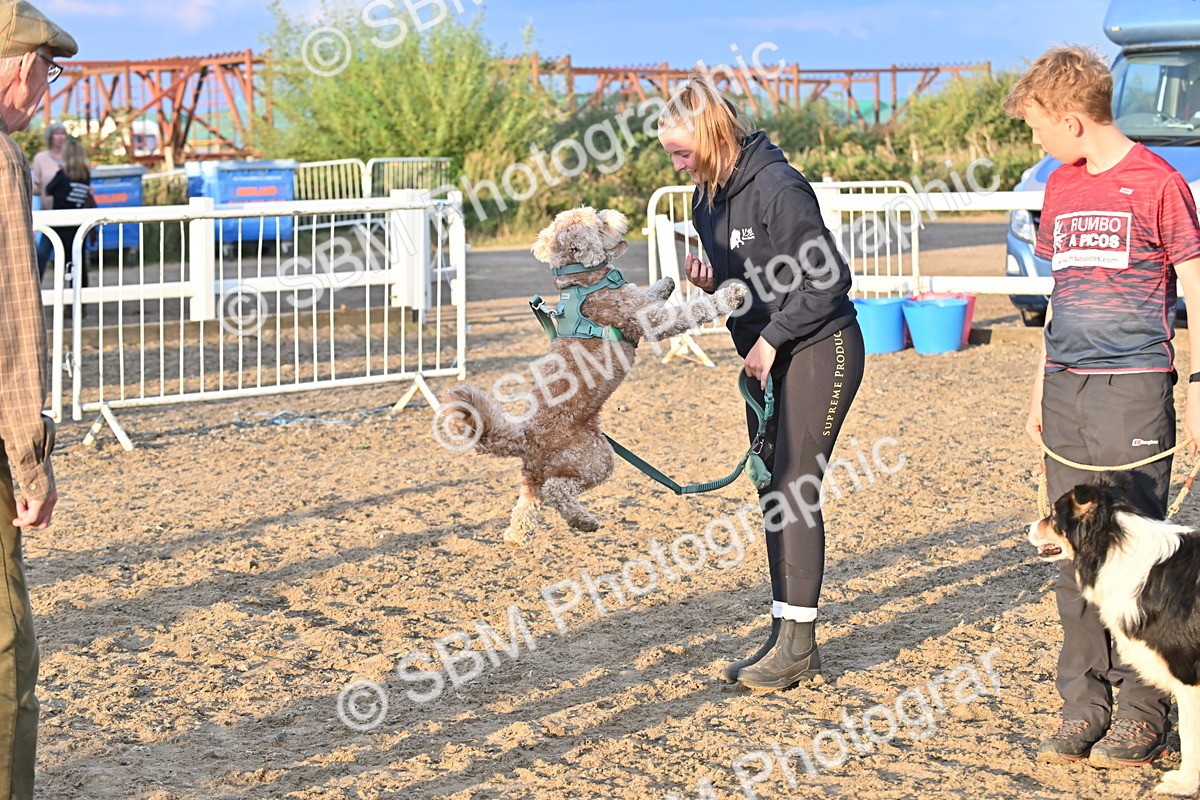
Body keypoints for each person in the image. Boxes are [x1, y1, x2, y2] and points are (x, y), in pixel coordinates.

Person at [1005, 45, 1200, 768]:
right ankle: (1084, 706)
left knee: (1142, 555)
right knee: (1069, 553)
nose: (1035, 140)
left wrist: (1198, 384)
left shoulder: (1159, 182)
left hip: (1136, 388)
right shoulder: (1059, 186)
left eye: (1037, 125)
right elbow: (1061, 297)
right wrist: (1038, 386)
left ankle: (1145, 715)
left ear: (1072, 117)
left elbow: (1195, 285)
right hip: (1067, 391)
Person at [657, 73, 865, 691]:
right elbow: (747, 285)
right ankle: (788, 631)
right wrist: (709, 285)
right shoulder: (705, 199)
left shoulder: (777, 185)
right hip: (768, 358)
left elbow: (827, 281)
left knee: (795, 486)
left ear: (713, 134)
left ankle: (797, 643)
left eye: (681, 151)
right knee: (773, 490)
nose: (676, 163)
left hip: (819, 345)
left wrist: (772, 338)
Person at [0, 1, 75, 796]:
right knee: (5, 653)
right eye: (49, 70)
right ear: (22, 64)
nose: (48, 89)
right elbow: (13, 327)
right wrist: (32, 460)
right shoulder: (2, 159)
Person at [44, 135, 91, 288]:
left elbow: (48, 189)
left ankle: (63, 298)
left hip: (60, 224)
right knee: (79, 262)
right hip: (79, 224)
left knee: (62, 262)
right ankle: (80, 299)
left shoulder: (62, 175)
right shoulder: (85, 175)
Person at [30, 119, 63, 276]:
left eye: (62, 133)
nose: (60, 137)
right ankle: (37, 290)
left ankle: (74, 295)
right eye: (57, 133)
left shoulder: (72, 157)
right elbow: (37, 186)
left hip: (69, 211)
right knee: (42, 254)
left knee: (71, 256)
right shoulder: (40, 158)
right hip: (49, 213)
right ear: (51, 136)